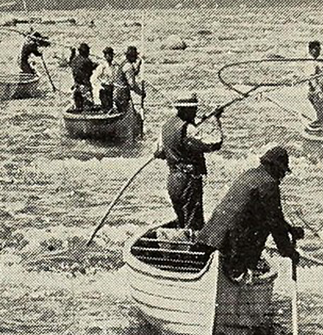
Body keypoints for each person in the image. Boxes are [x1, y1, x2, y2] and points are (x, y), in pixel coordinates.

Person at [199, 145, 304, 281]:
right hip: (232, 245)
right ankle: (244, 270)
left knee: (257, 221)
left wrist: (290, 229)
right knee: (261, 227)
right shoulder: (269, 184)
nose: (282, 176)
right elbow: (275, 224)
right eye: (282, 171)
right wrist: (289, 253)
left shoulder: (249, 174)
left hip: (211, 237)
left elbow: (268, 214)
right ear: (274, 167)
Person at [158, 93, 223, 230]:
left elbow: (159, 153)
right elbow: (214, 144)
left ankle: (182, 243)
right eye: (193, 109)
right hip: (188, 180)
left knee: (182, 220)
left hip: (173, 180)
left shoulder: (165, 127)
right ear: (185, 110)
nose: (195, 112)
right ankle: (193, 247)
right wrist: (216, 120)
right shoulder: (188, 129)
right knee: (194, 222)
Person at [114, 46, 145, 112]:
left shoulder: (125, 63)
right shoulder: (128, 67)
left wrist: (139, 65)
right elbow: (132, 84)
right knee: (125, 112)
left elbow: (132, 74)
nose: (136, 58)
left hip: (119, 93)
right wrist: (141, 93)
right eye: (135, 56)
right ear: (132, 56)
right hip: (122, 94)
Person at [69, 43, 97, 111]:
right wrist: (97, 65)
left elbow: (70, 62)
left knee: (78, 106)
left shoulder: (74, 59)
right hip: (85, 86)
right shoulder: (86, 60)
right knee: (89, 106)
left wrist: (72, 52)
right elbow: (91, 67)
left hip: (76, 86)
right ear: (86, 51)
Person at [95, 47, 117, 111]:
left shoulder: (113, 66)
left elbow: (114, 77)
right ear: (105, 56)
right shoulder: (102, 66)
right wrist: (102, 84)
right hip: (104, 89)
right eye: (109, 55)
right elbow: (95, 78)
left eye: (111, 55)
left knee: (110, 105)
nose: (111, 56)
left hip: (111, 88)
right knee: (106, 106)